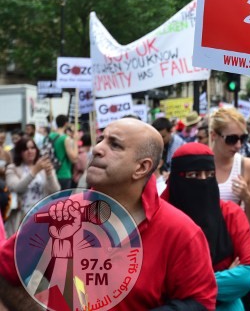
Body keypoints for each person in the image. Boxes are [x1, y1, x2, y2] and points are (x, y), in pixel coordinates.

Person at [0, 117, 217, 310]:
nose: (97, 149)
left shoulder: (181, 232)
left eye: (114, 145)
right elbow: (4, 270)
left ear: (141, 167)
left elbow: (200, 302)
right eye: (101, 139)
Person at [163, 143, 250, 311]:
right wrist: (223, 278)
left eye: (209, 175)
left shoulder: (231, 214)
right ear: (177, 178)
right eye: (194, 175)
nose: (203, 181)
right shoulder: (161, 218)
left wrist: (182, 287)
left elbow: (248, 277)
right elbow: (156, 283)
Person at [210, 108, 250, 228]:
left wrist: (247, 197)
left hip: (234, 241)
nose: (238, 145)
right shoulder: (199, 165)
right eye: (231, 139)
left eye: (243, 138)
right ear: (214, 135)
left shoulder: (247, 166)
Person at [4, 138, 60, 236]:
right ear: (19, 152)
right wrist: (34, 171)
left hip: (43, 215)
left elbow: (56, 191)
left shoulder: (43, 166)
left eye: (32, 148)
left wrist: (49, 173)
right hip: (22, 217)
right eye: (26, 149)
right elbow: (17, 188)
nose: (30, 151)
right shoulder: (12, 168)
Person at [47, 115, 78, 190]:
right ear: (66, 123)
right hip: (64, 174)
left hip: (51, 173)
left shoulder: (49, 136)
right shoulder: (65, 139)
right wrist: (75, 141)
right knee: (63, 201)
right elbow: (74, 158)